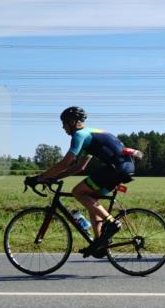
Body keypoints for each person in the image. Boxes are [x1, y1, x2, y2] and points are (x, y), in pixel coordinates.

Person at [25, 107, 135, 254]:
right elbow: (79, 167)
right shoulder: (88, 135)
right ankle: (99, 243)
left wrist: (40, 178)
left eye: (64, 123)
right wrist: (53, 177)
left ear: (72, 122)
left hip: (116, 168)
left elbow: (66, 163)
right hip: (124, 167)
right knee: (91, 200)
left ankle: (112, 223)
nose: (63, 127)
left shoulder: (79, 135)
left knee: (78, 192)